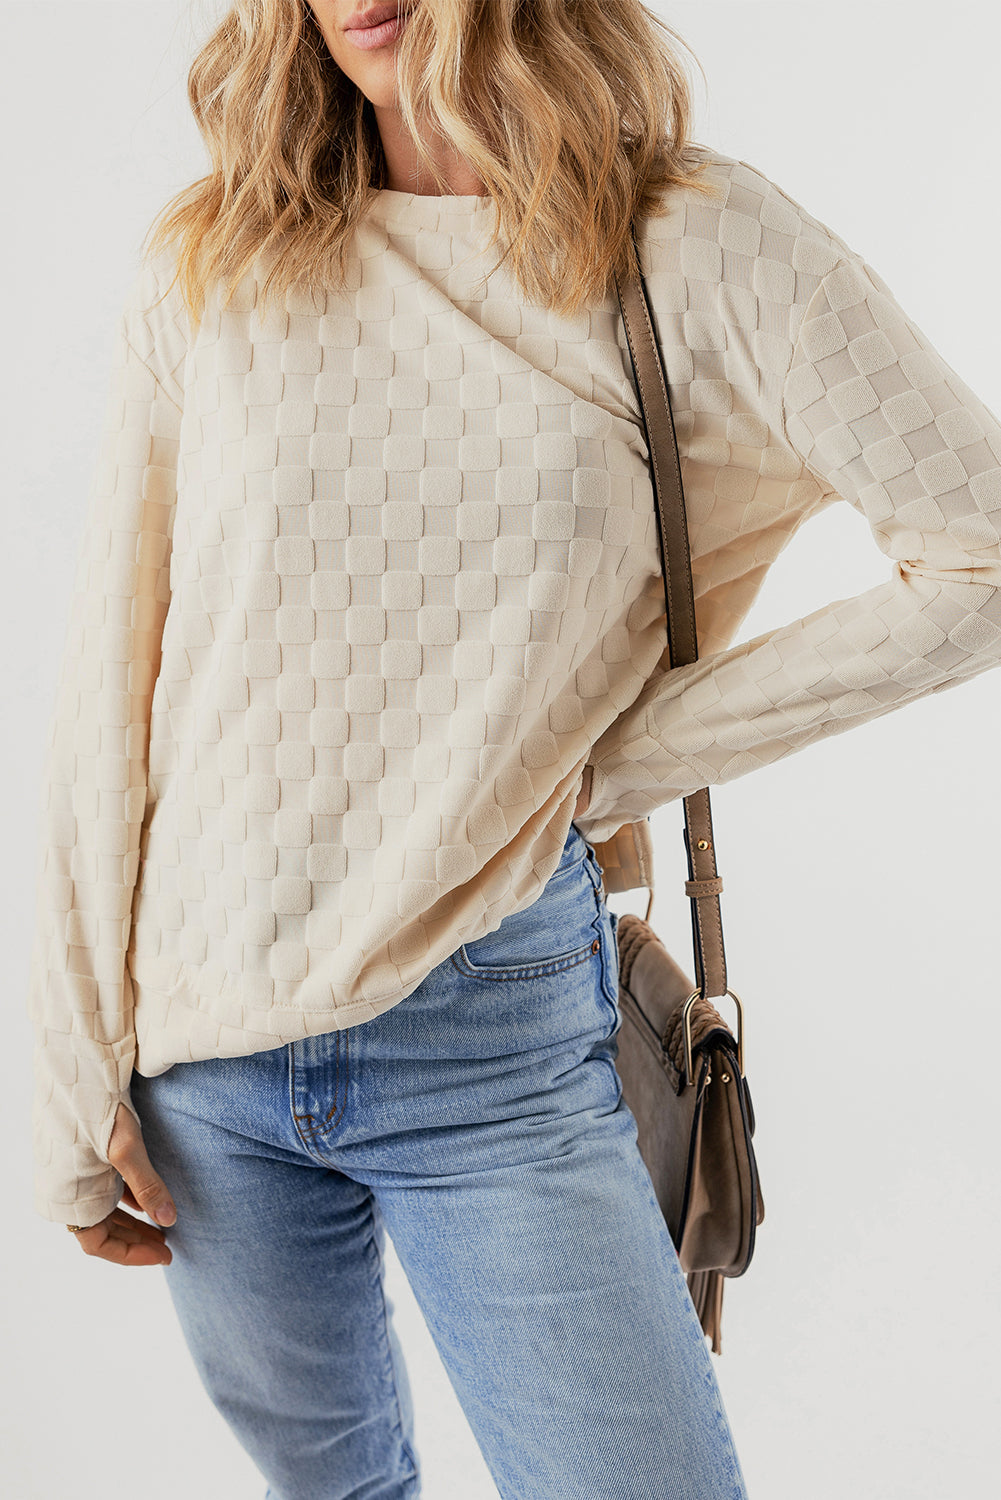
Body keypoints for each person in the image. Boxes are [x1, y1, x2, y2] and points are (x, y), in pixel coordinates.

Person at [26, 1, 1001, 1496]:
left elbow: (978, 555)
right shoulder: (215, 259)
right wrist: (65, 1070)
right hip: (199, 1044)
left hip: (485, 1033)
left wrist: (618, 761)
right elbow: (113, 686)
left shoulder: (696, 245)